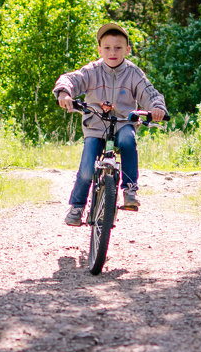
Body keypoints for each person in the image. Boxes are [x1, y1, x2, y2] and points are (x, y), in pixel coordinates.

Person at [54, 23, 168, 226]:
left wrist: (157, 108)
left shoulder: (134, 74)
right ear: (99, 50)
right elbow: (70, 79)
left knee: (127, 140)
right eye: (107, 48)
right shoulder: (92, 71)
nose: (112, 52)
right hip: (96, 126)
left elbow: (151, 94)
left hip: (124, 123)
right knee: (87, 168)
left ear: (127, 49)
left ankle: (129, 190)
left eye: (118, 48)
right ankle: (77, 206)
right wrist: (64, 92)